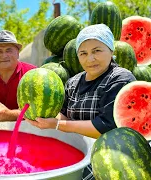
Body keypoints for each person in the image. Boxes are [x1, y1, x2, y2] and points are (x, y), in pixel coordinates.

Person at [25, 24, 136, 180]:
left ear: (111, 50)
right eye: (83, 53)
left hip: (109, 160)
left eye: (97, 51)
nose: (90, 59)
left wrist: (57, 125)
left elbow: (106, 126)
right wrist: (39, 110)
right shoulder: (73, 82)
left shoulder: (120, 78)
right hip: (76, 154)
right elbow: (63, 115)